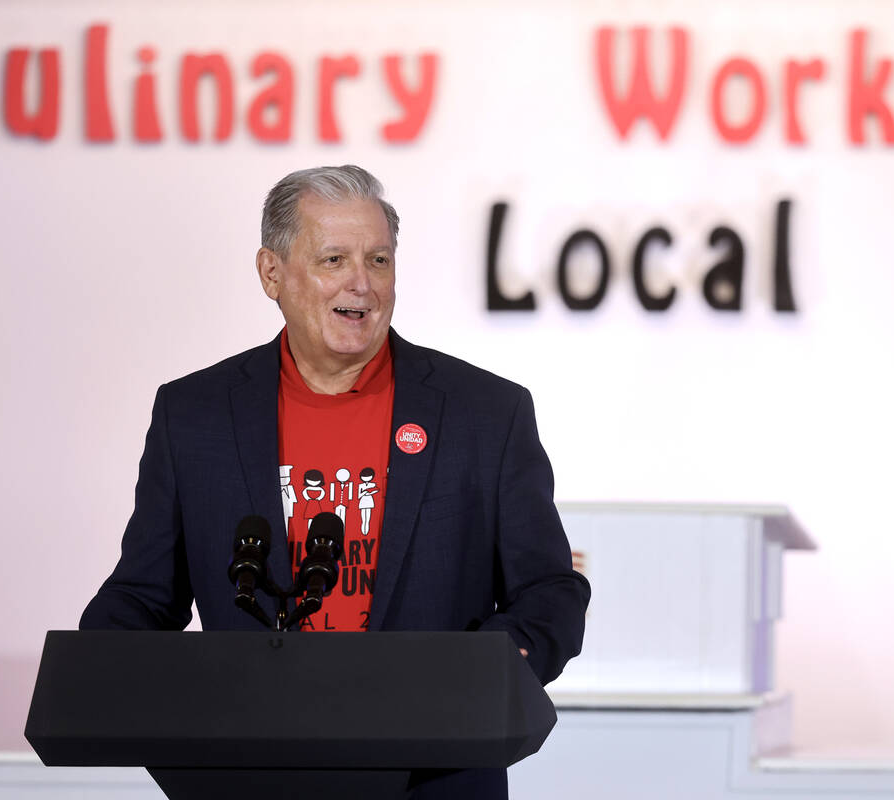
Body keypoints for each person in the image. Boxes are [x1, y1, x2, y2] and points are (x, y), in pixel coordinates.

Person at [80, 165, 590, 798]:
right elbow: (144, 594)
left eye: (379, 260)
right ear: (271, 274)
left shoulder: (485, 415)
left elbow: (549, 590)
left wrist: (490, 668)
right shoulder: (195, 416)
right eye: (333, 259)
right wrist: (90, 665)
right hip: (250, 774)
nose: (362, 284)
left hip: (433, 775)